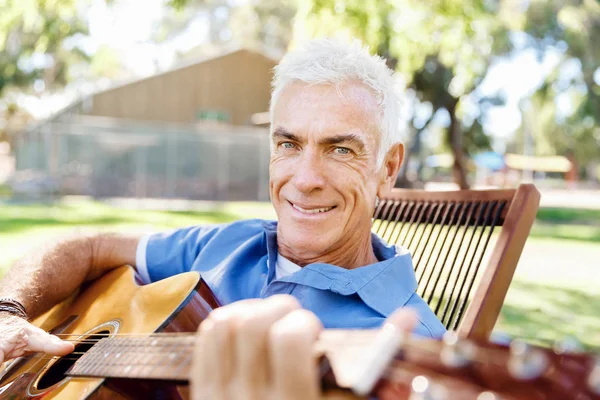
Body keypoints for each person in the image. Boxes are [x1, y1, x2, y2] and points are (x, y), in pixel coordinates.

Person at [0, 39, 445, 397]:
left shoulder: (410, 346)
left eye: (340, 149)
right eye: (288, 144)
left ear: (387, 169)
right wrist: (8, 314)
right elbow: (90, 247)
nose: (305, 179)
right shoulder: (229, 244)